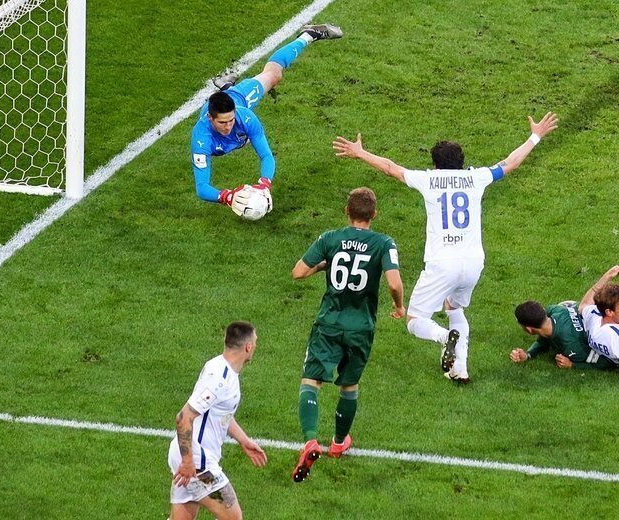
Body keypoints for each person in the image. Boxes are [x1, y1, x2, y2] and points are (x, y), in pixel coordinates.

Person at [332, 111, 560, 383]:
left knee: (414, 320)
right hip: (473, 262)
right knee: (453, 307)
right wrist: (535, 136)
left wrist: (360, 153)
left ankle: (444, 337)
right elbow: (510, 163)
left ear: (435, 165)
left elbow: (391, 168)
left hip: (442, 262)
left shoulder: (429, 180)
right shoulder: (476, 178)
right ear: (462, 162)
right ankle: (460, 371)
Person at [290, 187, 405, 483]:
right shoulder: (384, 243)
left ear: (346, 212)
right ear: (374, 214)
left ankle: (310, 440)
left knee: (311, 381)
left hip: (329, 322)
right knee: (349, 385)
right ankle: (339, 443)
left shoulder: (330, 238)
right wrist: (399, 306)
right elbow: (394, 283)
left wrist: (325, 265)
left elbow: (298, 272)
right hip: (361, 328)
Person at [190, 24, 343, 209]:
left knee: (274, 75)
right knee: (239, 136)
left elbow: (266, 155)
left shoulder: (245, 117)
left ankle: (309, 34)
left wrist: (264, 185)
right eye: (223, 123)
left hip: (239, 98)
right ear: (210, 118)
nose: (228, 126)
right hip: (228, 119)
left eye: (231, 120)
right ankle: (226, 87)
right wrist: (227, 196)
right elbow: (202, 188)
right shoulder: (201, 139)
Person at [168, 321, 267, 520]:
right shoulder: (220, 379)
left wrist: (244, 440)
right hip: (198, 461)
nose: (255, 346)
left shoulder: (219, 367)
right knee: (233, 517)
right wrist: (188, 462)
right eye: (255, 342)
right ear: (248, 347)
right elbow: (183, 418)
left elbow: (220, 414)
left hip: (187, 455)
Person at [511, 294, 619, 370]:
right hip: (592, 312)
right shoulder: (554, 310)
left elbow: (605, 363)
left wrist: (573, 365)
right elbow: (544, 337)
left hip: (613, 329)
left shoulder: (572, 347)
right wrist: (528, 354)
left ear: (529, 329)